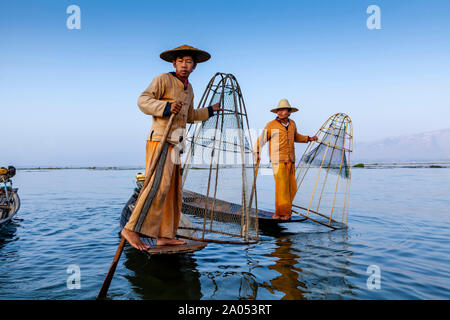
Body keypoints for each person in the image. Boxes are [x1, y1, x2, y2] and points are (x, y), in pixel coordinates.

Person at [122, 45, 221, 250]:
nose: (185, 65)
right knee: (157, 186)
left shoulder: (189, 88)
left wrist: (210, 111)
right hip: (160, 140)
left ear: (194, 67)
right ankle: (131, 228)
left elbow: (190, 115)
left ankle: (164, 234)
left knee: (172, 192)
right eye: (182, 61)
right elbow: (143, 101)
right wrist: (166, 107)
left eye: (189, 62)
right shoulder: (163, 79)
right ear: (174, 63)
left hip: (177, 144)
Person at [254, 99, 318, 220]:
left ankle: (284, 211)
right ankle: (280, 214)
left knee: (291, 187)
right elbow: (261, 139)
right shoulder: (271, 125)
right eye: (279, 110)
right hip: (277, 160)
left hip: (291, 160)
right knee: (281, 187)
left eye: (283, 110)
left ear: (289, 112)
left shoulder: (292, 123)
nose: (280, 112)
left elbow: (296, 136)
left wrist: (309, 138)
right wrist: (257, 152)